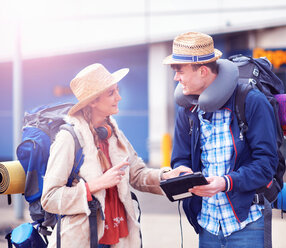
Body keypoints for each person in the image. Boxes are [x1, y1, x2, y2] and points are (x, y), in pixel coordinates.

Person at [41, 63, 191, 248]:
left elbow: (137, 175)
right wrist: (96, 185)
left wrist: (166, 176)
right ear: (93, 101)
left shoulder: (114, 133)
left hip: (120, 238)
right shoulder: (69, 138)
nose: (119, 97)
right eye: (111, 93)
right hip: (83, 240)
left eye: (117, 91)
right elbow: (49, 198)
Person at [163, 31, 279, 248]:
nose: (176, 78)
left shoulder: (252, 102)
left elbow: (266, 166)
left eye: (180, 71)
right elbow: (180, 158)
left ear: (203, 71)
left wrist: (225, 183)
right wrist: (183, 173)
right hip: (208, 225)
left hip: (248, 223)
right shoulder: (186, 110)